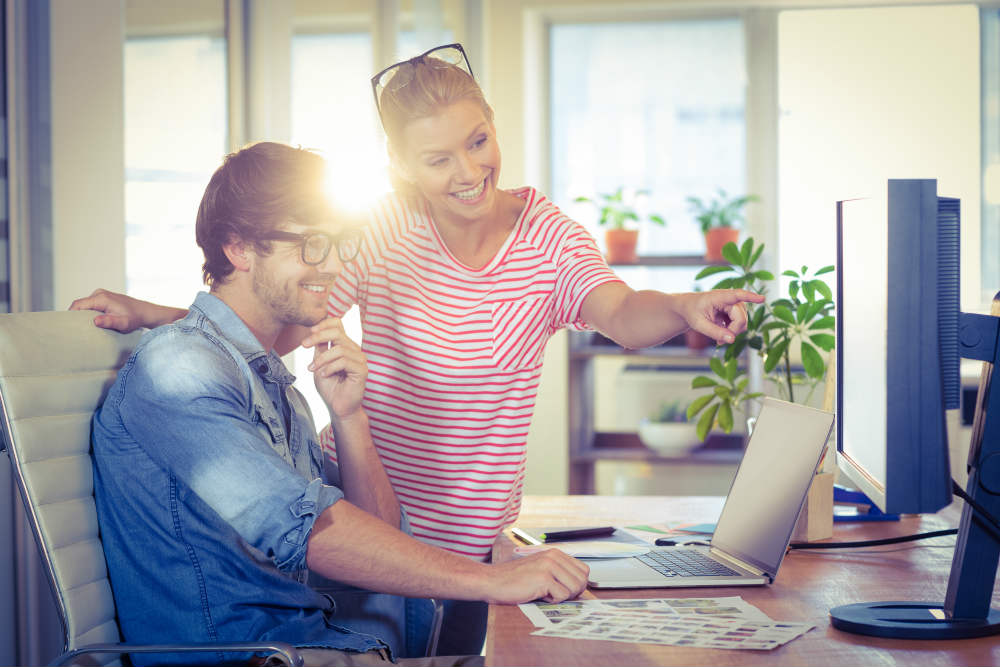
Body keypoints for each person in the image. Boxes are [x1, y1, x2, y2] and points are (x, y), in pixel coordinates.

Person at [72, 44, 762, 654]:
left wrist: (681, 306)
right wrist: (162, 317)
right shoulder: (375, 235)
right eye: (437, 157)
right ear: (401, 167)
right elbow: (279, 318)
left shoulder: (547, 237)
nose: (468, 169)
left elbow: (618, 309)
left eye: (478, 140)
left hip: (442, 550)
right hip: (364, 572)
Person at [89, 141, 588, 667]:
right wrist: (492, 580)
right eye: (310, 246)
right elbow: (307, 534)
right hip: (252, 656)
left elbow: (376, 526)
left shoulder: (270, 380)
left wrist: (349, 416)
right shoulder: (181, 369)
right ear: (238, 248)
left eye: (339, 244)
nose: (331, 266)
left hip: (314, 644)